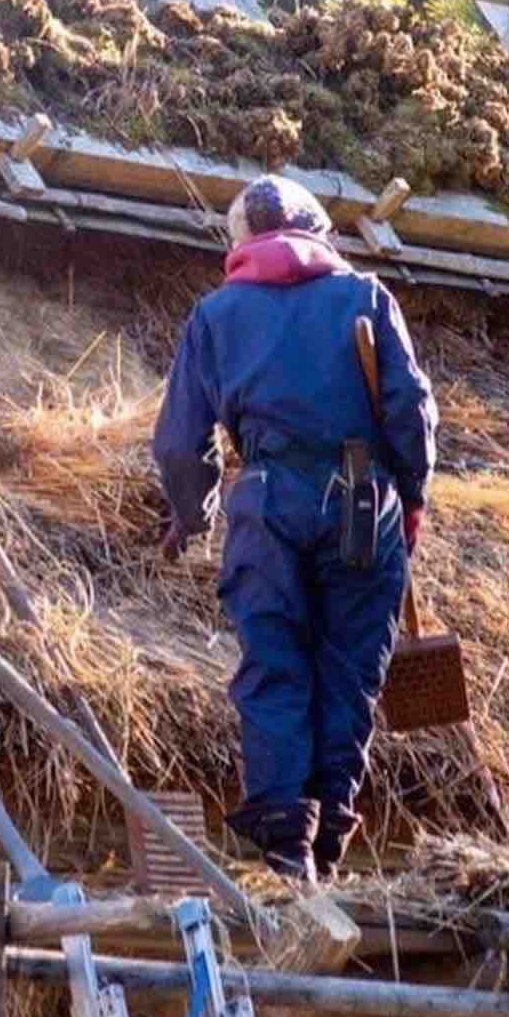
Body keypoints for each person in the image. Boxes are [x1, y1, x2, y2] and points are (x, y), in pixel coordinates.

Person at [153, 174, 437, 885]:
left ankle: (286, 845)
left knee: (275, 661)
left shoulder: (218, 316)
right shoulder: (367, 299)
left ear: (240, 243)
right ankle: (331, 839)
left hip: (270, 502)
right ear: (319, 231)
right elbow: (411, 413)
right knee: (349, 673)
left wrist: (193, 511)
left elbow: (181, 442)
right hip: (362, 504)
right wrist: (411, 498)